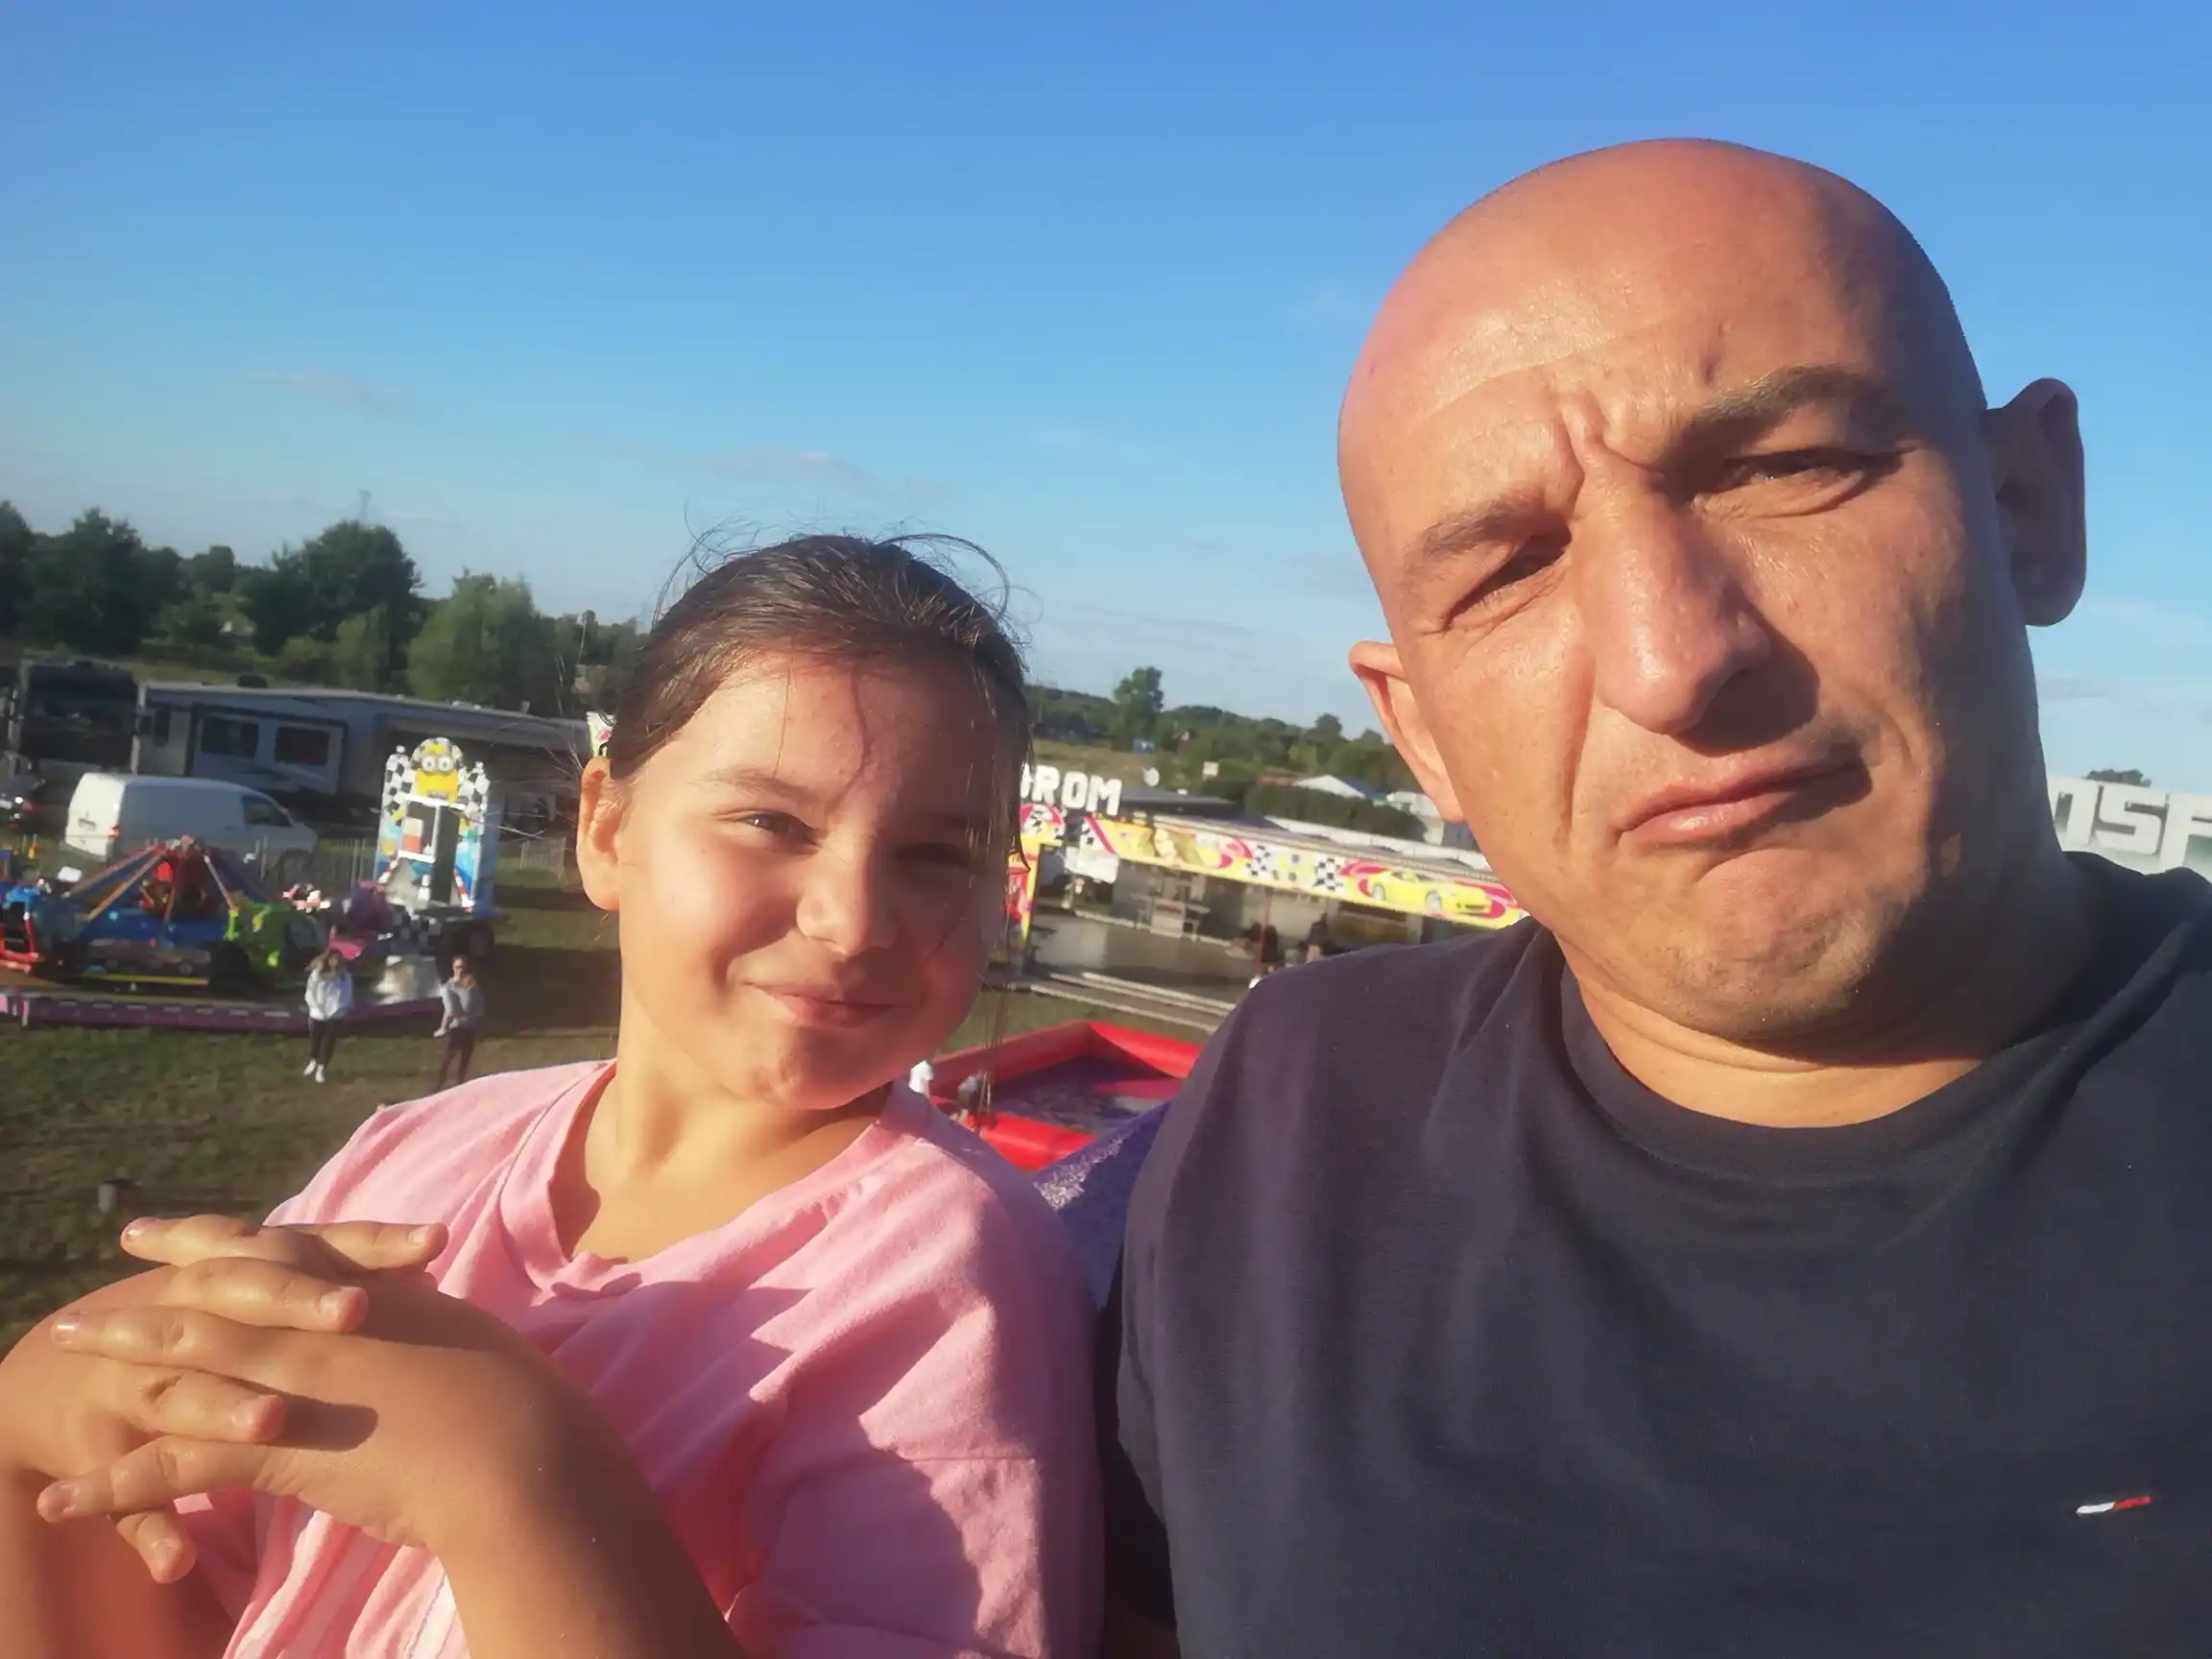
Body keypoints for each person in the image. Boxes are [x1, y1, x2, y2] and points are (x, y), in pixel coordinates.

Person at [1100, 141, 2212, 1658]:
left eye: (1780, 469)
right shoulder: (1286, 1112)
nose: (1670, 659)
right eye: (1507, 569)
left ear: (2028, 508)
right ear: (1421, 734)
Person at [0, 534, 1098, 1657]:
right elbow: (199, 1591)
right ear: (607, 829)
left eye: (937, 857)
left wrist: (511, 1480)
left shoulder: (949, 1284)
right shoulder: (412, 1156)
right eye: (773, 823)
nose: (853, 919)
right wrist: (31, 1437)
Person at [434, 952, 486, 1090]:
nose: (460, 970)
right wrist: (444, 1026)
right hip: (455, 1026)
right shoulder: (449, 986)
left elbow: (479, 1003)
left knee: (466, 1056)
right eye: (458, 967)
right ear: (453, 968)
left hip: (469, 1026)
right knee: (447, 1056)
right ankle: (439, 1082)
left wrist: (476, 1018)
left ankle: (460, 1082)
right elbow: (449, 1009)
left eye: (462, 967)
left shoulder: (472, 984)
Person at [301, 945, 351, 1083]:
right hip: (317, 1013)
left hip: (335, 1015)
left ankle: (321, 1069)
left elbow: (347, 994)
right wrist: (315, 1007)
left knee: (328, 1042)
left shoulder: (345, 977)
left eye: (339, 960)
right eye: (333, 959)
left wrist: (340, 1008)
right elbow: (310, 992)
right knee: (315, 1040)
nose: (336, 962)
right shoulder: (317, 975)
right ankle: (313, 1061)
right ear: (328, 960)